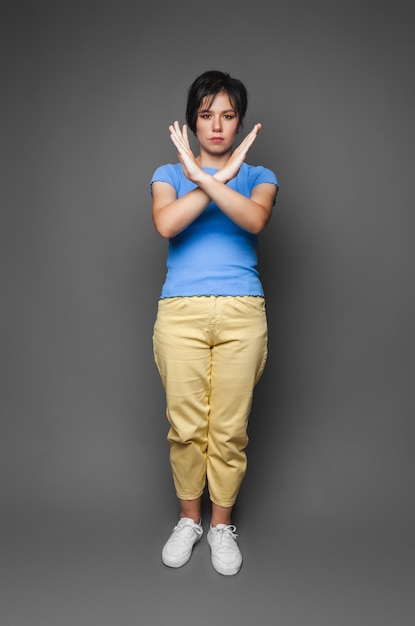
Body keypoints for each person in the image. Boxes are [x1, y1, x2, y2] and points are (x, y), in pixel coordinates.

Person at [150, 70, 279, 576]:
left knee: (228, 430)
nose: (218, 126)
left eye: (227, 115)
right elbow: (167, 223)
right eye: (207, 115)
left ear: (240, 120)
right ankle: (189, 520)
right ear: (192, 121)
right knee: (186, 428)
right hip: (179, 312)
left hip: (243, 312)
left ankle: (221, 525)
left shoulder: (261, 176)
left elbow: (253, 220)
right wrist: (213, 178)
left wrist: (208, 178)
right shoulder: (166, 172)